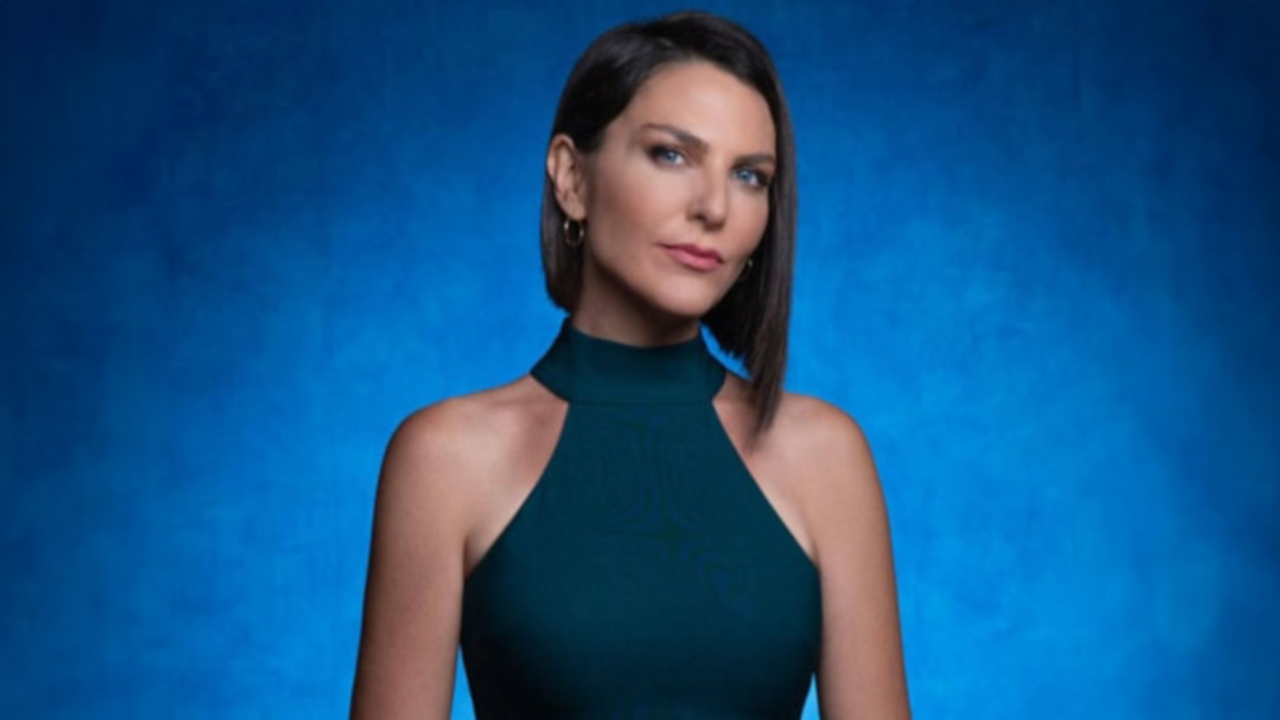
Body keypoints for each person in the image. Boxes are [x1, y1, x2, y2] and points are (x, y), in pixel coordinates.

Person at [350, 10, 910, 719]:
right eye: (671, 155)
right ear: (571, 177)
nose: (714, 207)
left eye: (749, 175)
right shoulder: (446, 459)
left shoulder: (824, 456)